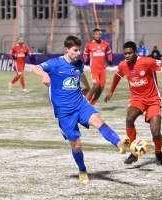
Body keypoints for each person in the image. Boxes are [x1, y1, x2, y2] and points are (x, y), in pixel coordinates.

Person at [31, 35, 129, 184]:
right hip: (64, 112)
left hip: (80, 104)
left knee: (98, 121)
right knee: (76, 145)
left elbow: (80, 72)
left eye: (79, 50)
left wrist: (88, 86)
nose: (78, 53)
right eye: (75, 50)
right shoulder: (55, 64)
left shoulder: (79, 63)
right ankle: (82, 170)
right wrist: (44, 74)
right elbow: (34, 68)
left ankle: (119, 143)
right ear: (66, 50)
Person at [104, 41, 162, 166]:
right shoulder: (123, 65)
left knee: (156, 132)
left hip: (153, 100)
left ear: (136, 52)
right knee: (129, 118)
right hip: (137, 99)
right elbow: (117, 76)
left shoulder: (147, 61)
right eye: (125, 53)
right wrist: (111, 92)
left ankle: (158, 152)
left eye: (130, 53)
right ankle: (134, 152)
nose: (127, 56)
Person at [83, 28, 113, 105]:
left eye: (99, 34)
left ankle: (92, 104)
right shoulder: (90, 45)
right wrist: (86, 59)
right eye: (96, 34)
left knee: (101, 87)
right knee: (96, 85)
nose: (98, 35)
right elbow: (85, 54)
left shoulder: (105, 44)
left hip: (103, 69)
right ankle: (86, 101)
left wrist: (110, 59)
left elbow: (109, 53)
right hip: (94, 68)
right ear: (93, 35)